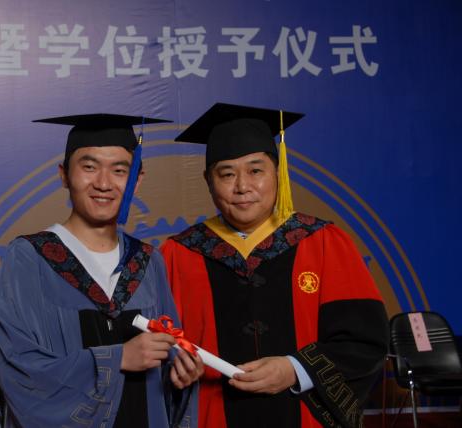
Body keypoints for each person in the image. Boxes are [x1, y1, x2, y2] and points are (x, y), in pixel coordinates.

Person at [160, 103, 388, 428]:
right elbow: (161, 345)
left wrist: (296, 369)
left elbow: (363, 342)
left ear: (278, 173)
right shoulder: (177, 254)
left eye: (256, 171)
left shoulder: (323, 242)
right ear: (208, 181)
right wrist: (175, 363)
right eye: (226, 174)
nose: (242, 186)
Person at [0, 114, 203, 428]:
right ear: (64, 175)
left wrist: (180, 372)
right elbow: (21, 371)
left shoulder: (147, 261)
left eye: (119, 171)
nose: (104, 183)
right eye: (89, 167)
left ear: (137, 180)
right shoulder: (29, 259)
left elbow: (168, 363)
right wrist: (118, 359)